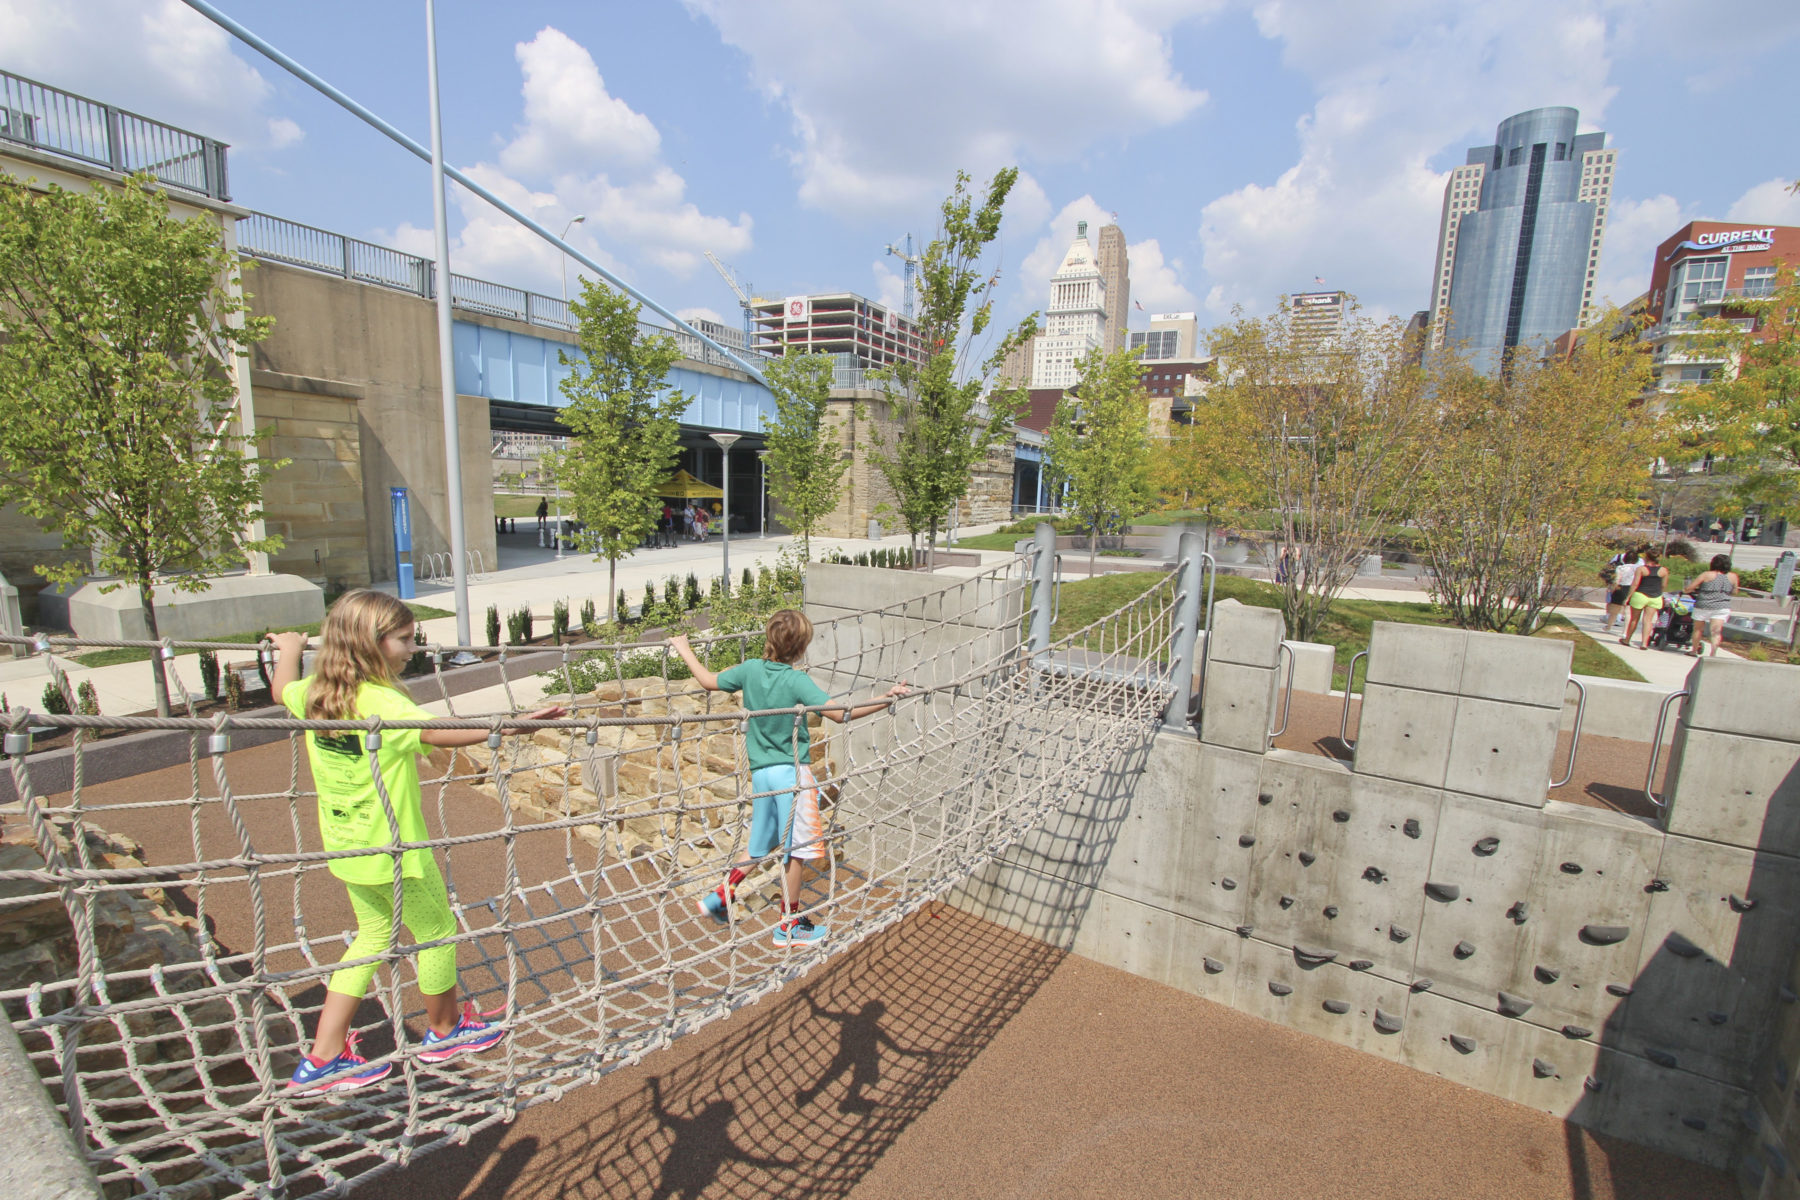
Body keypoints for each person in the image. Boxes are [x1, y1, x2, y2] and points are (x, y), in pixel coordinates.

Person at [270, 591, 566, 1095]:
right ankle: (445, 1032)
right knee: (437, 930)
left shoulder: (315, 694)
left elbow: (280, 690)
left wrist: (290, 647)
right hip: (395, 847)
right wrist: (512, 724)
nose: (413, 648)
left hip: (345, 842)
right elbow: (438, 734)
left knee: (372, 936)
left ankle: (323, 1056)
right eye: (404, 639)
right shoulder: (383, 702)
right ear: (372, 643)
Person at [668, 611, 909, 947]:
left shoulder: (750, 669)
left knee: (761, 845)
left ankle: (719, 896)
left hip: (762, 774)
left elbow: (708, 681)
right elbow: (841, 715)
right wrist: (887, 698)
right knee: (795, 851)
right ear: (800, 649)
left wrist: (684, 648)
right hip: (792, 776)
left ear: (769, 638)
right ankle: (788, 925)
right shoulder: (796, 680)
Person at [1684, 554, 1739, 658]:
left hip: (1704, 605)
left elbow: (1690, 588)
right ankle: (1713, 653)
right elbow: (1735, 591)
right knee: (1716, 632)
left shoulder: (1706, 575)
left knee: (1698, 629)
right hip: (1722, 606)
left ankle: (1694, 651)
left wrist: (1687, 589)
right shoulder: (1733, 576)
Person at [1620, 548, 1669, 650]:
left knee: (1634, 619)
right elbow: (1664, 585)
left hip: (1640, 595)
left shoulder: (1642, 569)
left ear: (1647, 557)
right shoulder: (1664, 570)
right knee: (1648, 620)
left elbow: (1635, 584)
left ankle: (1627, 639)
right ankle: (1644, 643)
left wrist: (1628, 597)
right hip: (1655, 596)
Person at [1601, 547, 1642, 634]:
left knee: (1614, 611)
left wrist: (1612, 589)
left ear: (1625, 558)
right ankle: (1625, 632)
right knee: (1628, 612)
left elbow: (1617, 580)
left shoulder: (1620, 568)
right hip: (1631, 589)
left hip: (1620, 588)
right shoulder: (1638, 569)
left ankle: (1609, 627)